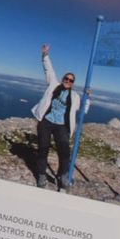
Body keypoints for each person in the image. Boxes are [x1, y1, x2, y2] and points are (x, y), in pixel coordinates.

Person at [31, 43, 86, 190]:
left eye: (71, 80)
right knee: (43, 148)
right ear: (62, 79)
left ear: (73, 83)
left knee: (64, 151)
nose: (68, 81)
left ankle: (62, 176)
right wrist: (45, 55)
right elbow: (48, 69)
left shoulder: (74, 96)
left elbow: (84, 108)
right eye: (66, 79)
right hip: (46, 121)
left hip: (61, 125)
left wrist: (89, 97)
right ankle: (42, 175)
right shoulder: (54, 85)